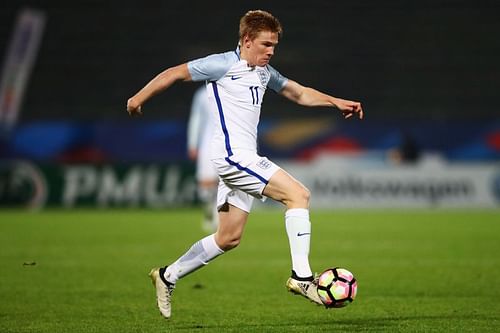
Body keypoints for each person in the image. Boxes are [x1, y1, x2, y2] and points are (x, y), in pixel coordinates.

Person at [127, 10, 363, 319]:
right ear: (247, 40)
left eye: (274, 46)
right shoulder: (222, 64)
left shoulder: (264, 72)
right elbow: (173, 73)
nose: (271, 51)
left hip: (241, 158)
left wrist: (336, 101)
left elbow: (299, 92)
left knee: (228, 238)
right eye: (266, 45)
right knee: (299, 195)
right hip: (233, 158)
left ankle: (168, 275)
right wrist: (137, 98)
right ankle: (302, 277)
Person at [187, 86, 219, 232]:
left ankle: (218, 215)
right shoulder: (202, 94)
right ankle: (208, 213)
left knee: (224, 182)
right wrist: (193, 143)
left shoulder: (234, 86)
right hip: (207, 142)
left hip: (229, 142)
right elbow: (196, 118)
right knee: (206, 183)